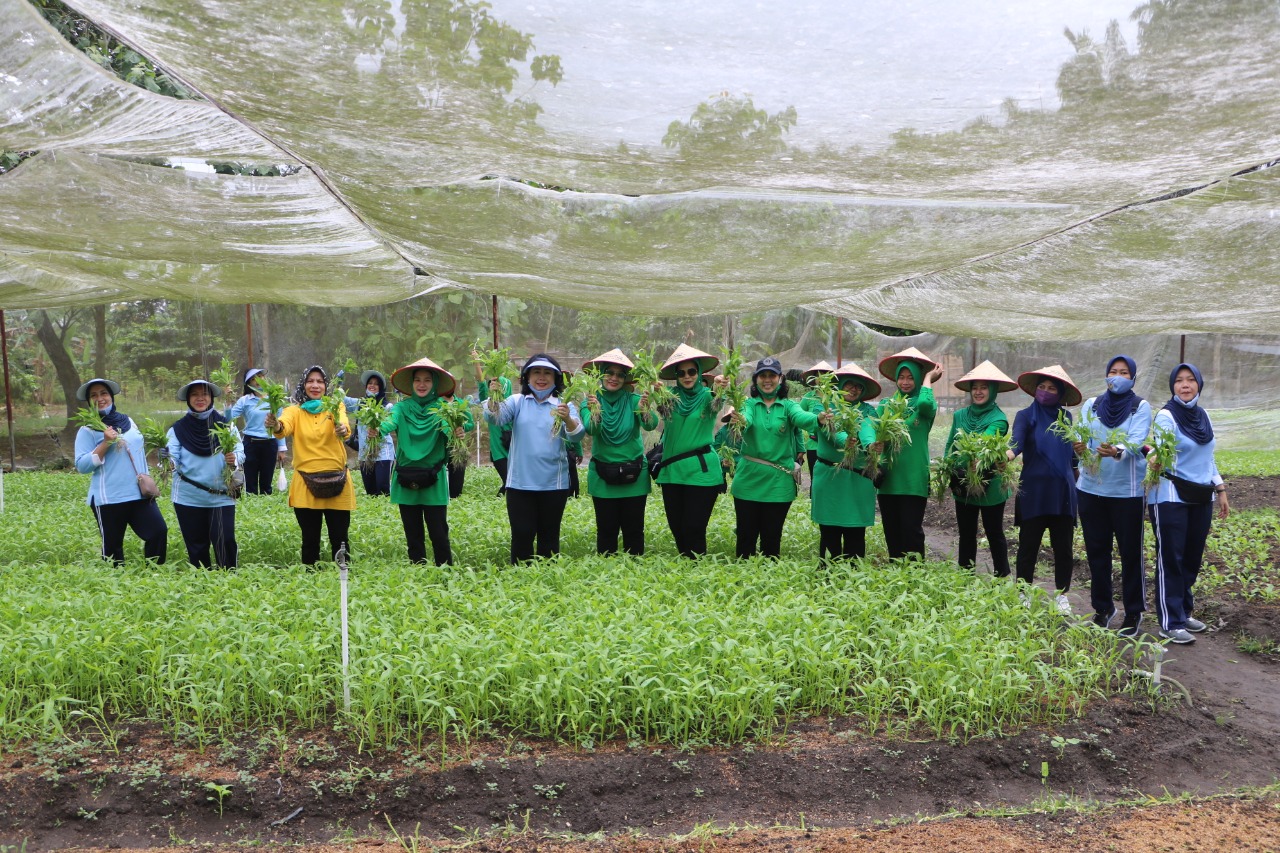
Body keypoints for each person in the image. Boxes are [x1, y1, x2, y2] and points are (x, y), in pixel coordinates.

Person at [1146, 363, 1229, 644]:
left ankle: (1183, 611)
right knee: (1172, 558)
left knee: (1192, 557)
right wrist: (1156, 456)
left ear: (1199, 384)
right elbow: (1160, 448)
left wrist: (1220, 488)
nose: (1185, 385)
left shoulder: (1203, 416)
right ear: (1172, 386)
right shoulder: (1167, 416)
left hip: (1201, 495)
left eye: (1191, 380)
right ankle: (1170, 622)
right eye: (1179, 381)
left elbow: (1208, 457)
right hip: (1170, 495)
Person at [1074, 355, 1152, 636]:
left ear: (1133, 378)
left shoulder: (1139, 406)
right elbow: (1081, 436)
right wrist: (1078, 447)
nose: (1117, 377)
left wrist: (1117, 450)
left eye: (1124, 372)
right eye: (1112, 371)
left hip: (1126, 493)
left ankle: (1134, 612)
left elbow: (1136, 440)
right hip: (1090, 489)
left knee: (1130, 553)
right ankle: (1103, 608)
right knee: (1097, 551)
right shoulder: (1091, 405)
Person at [483, 354, 585, 563]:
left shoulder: (563, 405)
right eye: (536, 372)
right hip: (520, 485)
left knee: (549, 539)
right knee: (521, 536)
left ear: (556, 379)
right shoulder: (517, 402)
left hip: (553, 485)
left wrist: (566, 418)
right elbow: (495, 417)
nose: (541, 377)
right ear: (526, 377)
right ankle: (521, 584)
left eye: (547, 373)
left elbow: (578, 434)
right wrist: (493, 397)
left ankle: (547, 587)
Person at [728, 356, 822, 558]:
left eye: (772, 375)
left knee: (772, 538)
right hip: (748, 480)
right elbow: (747, 420)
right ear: (756, 380)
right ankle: (744, 581)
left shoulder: (788, 406)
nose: (767, 380)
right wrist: (740, 419)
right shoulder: (750, 405)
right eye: (763, 375)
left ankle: (768, 585)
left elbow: (802, 419)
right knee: (746, 537)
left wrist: (818, 419)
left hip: (779, 482)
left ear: (780, 379)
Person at [381, 358, 471, 565]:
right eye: (418, 380)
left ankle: (445, 575)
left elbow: (450, 429)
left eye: (427, 380)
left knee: (439, 534)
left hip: (434, 477)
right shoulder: (401, 408)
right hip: (405, 476)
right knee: (413, 536)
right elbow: (389, 422)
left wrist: (457, 432)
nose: (422, 385)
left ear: (435, 384)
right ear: (411, 384)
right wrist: (377, 429)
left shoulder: (442, 408)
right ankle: (419, 575)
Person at [1008, 365, 1082, 614]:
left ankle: (1062, 596)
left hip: (1062, 493)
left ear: (1060, 394)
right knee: (1028, 546)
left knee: (1063, 549)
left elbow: (1071, 452)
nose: (1045, 392)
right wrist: (1004, 456)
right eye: (1042, 386)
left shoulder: (1066, 418)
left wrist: (1078, 464)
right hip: (1034, 491)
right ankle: (1023, 592)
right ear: (1034, 390)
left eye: (1052, 388)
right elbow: (1015, 444)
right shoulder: (1025, 415)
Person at [73, 377, 168, 566]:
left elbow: (137, 449)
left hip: (139, 493)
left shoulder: (128, 421)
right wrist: (106, 442)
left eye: (104, 393)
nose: (100, 398)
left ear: (111, 396)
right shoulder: (87, 430)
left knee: (158, 531)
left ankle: (155, 575)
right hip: (109, 498)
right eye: (93, 395)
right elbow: (82, 466)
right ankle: (114, 586)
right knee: (113, 547)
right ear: (88, 401)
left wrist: (161, 451)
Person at [267, 365, 355, 566]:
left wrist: (342, 428)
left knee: (340, 540)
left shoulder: (335, 406)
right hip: (306, 484)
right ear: (304, 385)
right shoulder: (294, 411)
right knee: (310, 541)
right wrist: (275, 425)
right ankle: (311, 584)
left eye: (320, 381)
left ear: (326, 386)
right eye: (310, 381)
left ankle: (344, 581)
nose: (315, 385)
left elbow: (345, 427)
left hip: (337, 482)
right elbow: (283, 427)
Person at [581, 349, 659, 555]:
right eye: (609, 373)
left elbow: (651, 425)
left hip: (635, 473)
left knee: (634, 531)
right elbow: (591, 430)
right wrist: (596, 412)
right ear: (601, 375)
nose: (614, 378)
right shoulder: (589, 401)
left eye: (619, 374)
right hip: (602, 475)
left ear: (625, 379)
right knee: (606, 531)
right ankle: (607, 579)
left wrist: (645, 409)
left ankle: (634, 576)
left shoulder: (633, 400)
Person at [944, 361, 1017, 578]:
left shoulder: (999, 419)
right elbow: (950, 444)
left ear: (993, 390)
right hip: (964, 480)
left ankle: (1001, 576)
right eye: (975, 387)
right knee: (966, 532)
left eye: (984, 387)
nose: (978, 392)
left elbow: (983, 443)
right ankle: (965, 575)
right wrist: (950, 468)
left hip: (990, 483)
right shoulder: (959, 415)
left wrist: (969, 458)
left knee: (994, 532)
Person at [653, 344, 725, 557]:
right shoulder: (669, 397)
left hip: (701, 471)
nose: (687, 376)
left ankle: (697, 569)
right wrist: (652, 388)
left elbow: (718, 397)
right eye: (682, 372)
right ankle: (687, 566)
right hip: (672, 471)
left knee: (694, 526)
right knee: (677, 527)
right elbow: (654, 401)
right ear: (676, 376)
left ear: (700, 373)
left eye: (692, 371)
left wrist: (721, 386)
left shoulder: (707, 396)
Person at [872, 347, 943, 560]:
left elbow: (924, 401)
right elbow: (875, 432)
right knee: (891, 530)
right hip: (889, 477)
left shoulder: (924, 408)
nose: (905, 382)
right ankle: (897, 573)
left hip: (913, 478)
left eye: (911, 377)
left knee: (911, 530)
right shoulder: (887, 404)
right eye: (901, 377)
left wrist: (929, 378)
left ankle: (915, 575)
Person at [167, 379, 242, 568]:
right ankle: (201, 586)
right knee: (197, 547)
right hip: (188, 497)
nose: (200, 398)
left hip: (221, 495)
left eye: (205, 394)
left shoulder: (226, 426)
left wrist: (235, 458)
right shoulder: (178, 429)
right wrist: (168, 462)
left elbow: (240, 451)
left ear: (211, 398)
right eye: (195, 394)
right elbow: (172, 455)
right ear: (188, 399)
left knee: (225, 541)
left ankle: (228, 584)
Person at [810, 363, 880, 563]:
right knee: (829, 530)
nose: (853, 389)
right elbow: (830, 428)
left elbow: (867, 429)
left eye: (858, 386)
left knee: (855, 532)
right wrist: (844, 441)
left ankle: (854, 576)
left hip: (858, 479)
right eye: (849, 384)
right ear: (839, 386)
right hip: (830, 477)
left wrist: (870, 445)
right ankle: (828, 573)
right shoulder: (823, 407)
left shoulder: (867, 410)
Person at [226, 368, 286, 495]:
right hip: (250, 443)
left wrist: (281, 448)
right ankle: (252, 506)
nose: (258, 380)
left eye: (260, 376)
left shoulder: (274, 399)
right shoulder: (245, 400)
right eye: (253, 378)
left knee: (267, 481)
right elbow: (228, 419)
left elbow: (281, 425)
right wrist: (228, 400)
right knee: (250, 481)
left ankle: (266, 504)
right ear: (249, 384)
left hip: (270, 443)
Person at [344, 369, 395, 497]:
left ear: (381, 388)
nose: (372, 385)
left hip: (383, 452)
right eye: (370, 383)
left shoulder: (387, 406)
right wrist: (338, 383)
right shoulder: (359, 404)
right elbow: (341, 399)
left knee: (383, 490)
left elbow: (393, 422)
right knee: (370, 492)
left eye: (376, 384)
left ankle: (385, 515)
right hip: (365, 453)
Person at [472, 351, 515, 494]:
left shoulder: (514, 406)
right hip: (499, 452)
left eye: (499, 384)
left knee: (512, 483)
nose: (495, 386)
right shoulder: (488, 404)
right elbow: (481, 381)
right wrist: (477, 361)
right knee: (509, 482)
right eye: (494, 384)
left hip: (514, 452)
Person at [798, 361, 833, 480]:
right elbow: (797, 418)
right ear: (814, 378)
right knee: (815, 478)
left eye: (826, 374)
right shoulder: (809, 397)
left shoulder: (836, 397)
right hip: (814, 445)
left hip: (833, 444)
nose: (822, 378)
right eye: (819, 375)